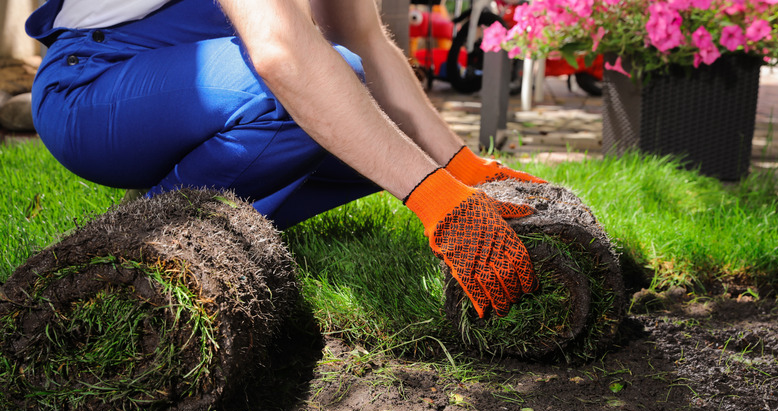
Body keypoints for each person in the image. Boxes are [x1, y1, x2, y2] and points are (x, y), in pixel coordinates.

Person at [26, 0, 546, 318]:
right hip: (93, 86)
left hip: (181, 82)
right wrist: (436, 200)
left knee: (374, 143)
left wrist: (458, 169)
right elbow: (281, 52)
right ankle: (127, 245)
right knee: (321, 98)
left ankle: (197, 222)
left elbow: (360, 37)